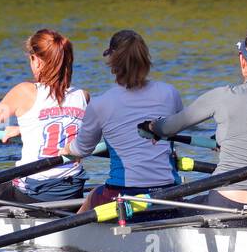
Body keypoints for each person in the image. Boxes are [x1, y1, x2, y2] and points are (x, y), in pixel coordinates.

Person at [142, 29, 247, 215]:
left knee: (170, 210)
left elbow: (167, 128)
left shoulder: (222, 96)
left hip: (223, 203)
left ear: (242, 60)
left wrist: (151, 127)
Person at [0, 29, 88, 203]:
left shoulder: (25, 92)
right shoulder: (82, 96)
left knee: (0, 192)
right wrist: (23, 129)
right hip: (72, 189)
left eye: (30, 58)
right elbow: (67, 127)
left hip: (36, 191)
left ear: (37, 61)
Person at [59, 30, 183, 211]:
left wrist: (68, 148)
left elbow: (83, 149)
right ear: (145, 59)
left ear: (111, 61)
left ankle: (70, 236)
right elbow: (176, 132)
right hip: (169, 194)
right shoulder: (170, 93)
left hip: (125, 196)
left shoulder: (100, 104)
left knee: (95, 194)